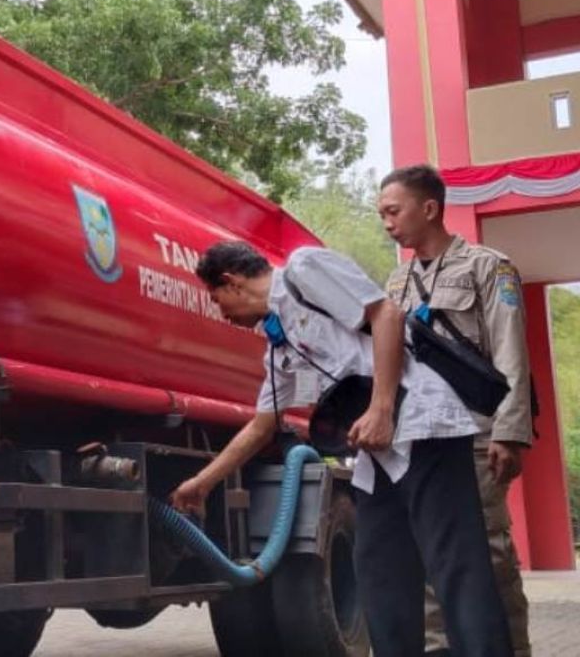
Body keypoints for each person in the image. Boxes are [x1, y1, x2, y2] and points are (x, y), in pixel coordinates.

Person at [171, 241, 513, 657]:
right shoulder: (279, 344)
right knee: (378, 569)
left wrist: (381, 408)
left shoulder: (304, 268)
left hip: (424, 425)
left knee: (456, 565)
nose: (219, 310)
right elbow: (263, 426)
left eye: (216, 297)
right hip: (379, 454)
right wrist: (203, 484)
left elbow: (386, 313)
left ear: (232, 281)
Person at [378, 164, 534, 657]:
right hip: (421, 441)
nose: (387, 223)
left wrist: (511, 432)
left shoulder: (489, 267)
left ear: (429, 208)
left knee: (486, 554)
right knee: (429, 554)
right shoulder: (396, 281)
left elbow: (510, 351)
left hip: (477, 435)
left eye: (393, 211)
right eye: (381, 214)